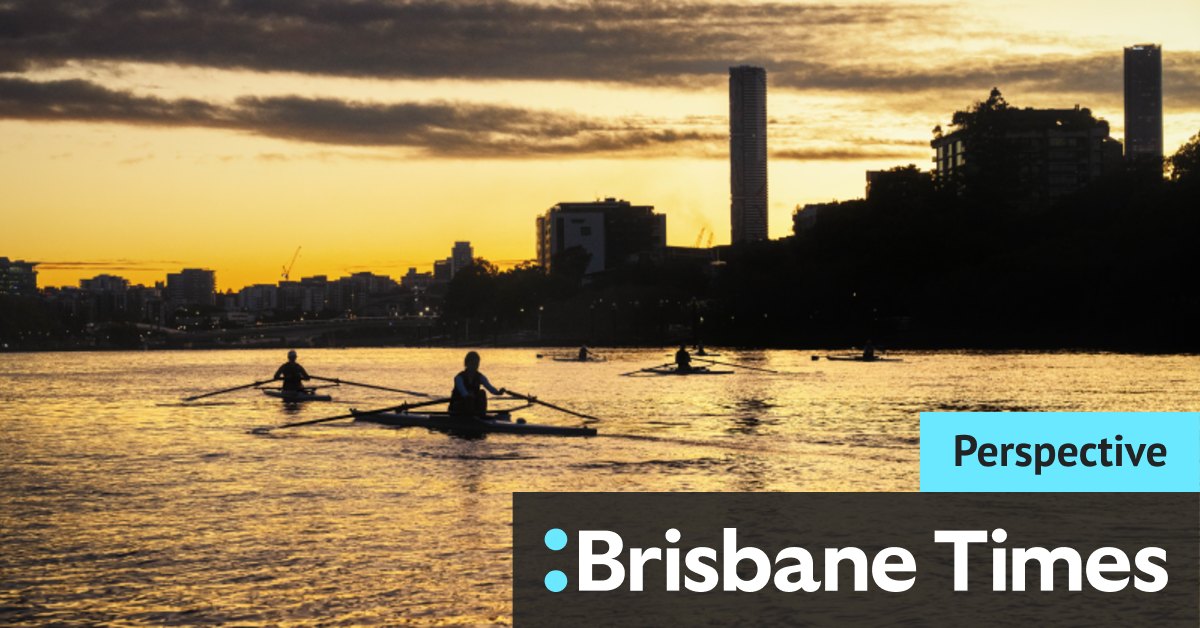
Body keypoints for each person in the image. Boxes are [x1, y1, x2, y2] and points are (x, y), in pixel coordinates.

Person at [450, 351, 506, 418]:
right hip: (458, 407)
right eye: (473, 363)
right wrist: (468, 395)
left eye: (477, 364)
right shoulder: (459, 378)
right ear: (466, 364)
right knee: (469, 398)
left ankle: (481, 415)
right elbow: (463, 392)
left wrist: (498, 392)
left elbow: (490, 388)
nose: (475, 366)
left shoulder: (480, 377)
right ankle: (475, 417)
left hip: (472, 407)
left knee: (482, 393)